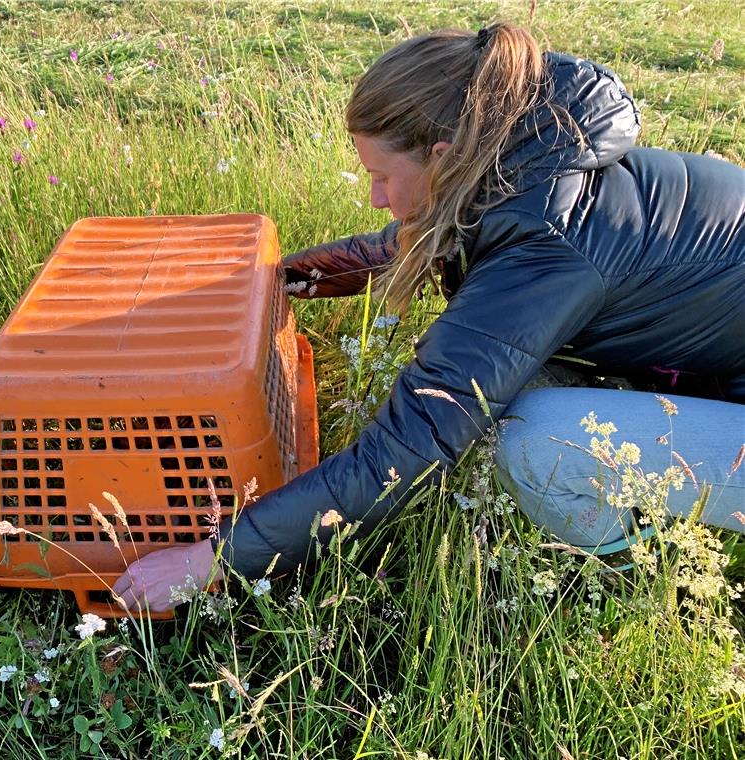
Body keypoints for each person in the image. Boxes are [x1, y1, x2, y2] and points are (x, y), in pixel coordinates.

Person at [112, 22, 745, 613]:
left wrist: (215, 556)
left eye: (382, 176)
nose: (376, 198)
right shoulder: (536, 160)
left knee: (535, 435)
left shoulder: (548, 245)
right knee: (509, 379)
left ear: (442, 156)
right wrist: (276, 281)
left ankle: (629, 572)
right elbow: (430, 240)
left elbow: (411, 442)